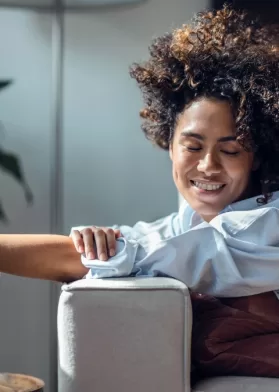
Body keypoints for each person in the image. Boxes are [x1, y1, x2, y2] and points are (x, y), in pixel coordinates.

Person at [1, 5, 279, 295]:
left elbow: (138, 254)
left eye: (231, 151)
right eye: (193, 146)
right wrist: (95, 241)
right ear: (170, 146)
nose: (208, 165)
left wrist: (103, 252)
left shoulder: (267, 226)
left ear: (256, 157)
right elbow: (145, 242)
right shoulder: (186, 224)